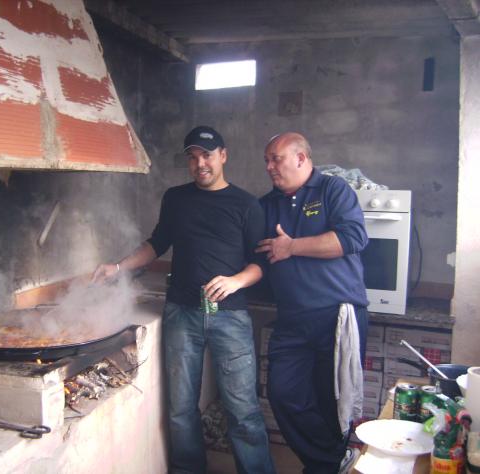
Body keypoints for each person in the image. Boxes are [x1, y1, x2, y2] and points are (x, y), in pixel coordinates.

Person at [93, 126, 276, 474]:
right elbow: (156, 244)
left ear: (223, 156)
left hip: (230, 317)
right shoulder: (175, 198)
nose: (200, 163)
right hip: (182, 314)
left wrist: (235, 281)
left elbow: (260, 264)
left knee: (243, 411)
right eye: (192, 157)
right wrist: (117, 267)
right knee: (180, 410)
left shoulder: (247, 204)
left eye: (207, 155)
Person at [255, 132, 369, 474]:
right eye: (267, 160)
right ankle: (332, 460)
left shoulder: (333, 190)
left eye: (276, 159)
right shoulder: (266, 205)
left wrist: (291, 246)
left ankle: (323, 466)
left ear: (301, 158)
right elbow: (255, 254)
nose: (269, 166)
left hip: (337, 313)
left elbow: (353, 237)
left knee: (331, 400)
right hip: (292, 319)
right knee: (282, 393)